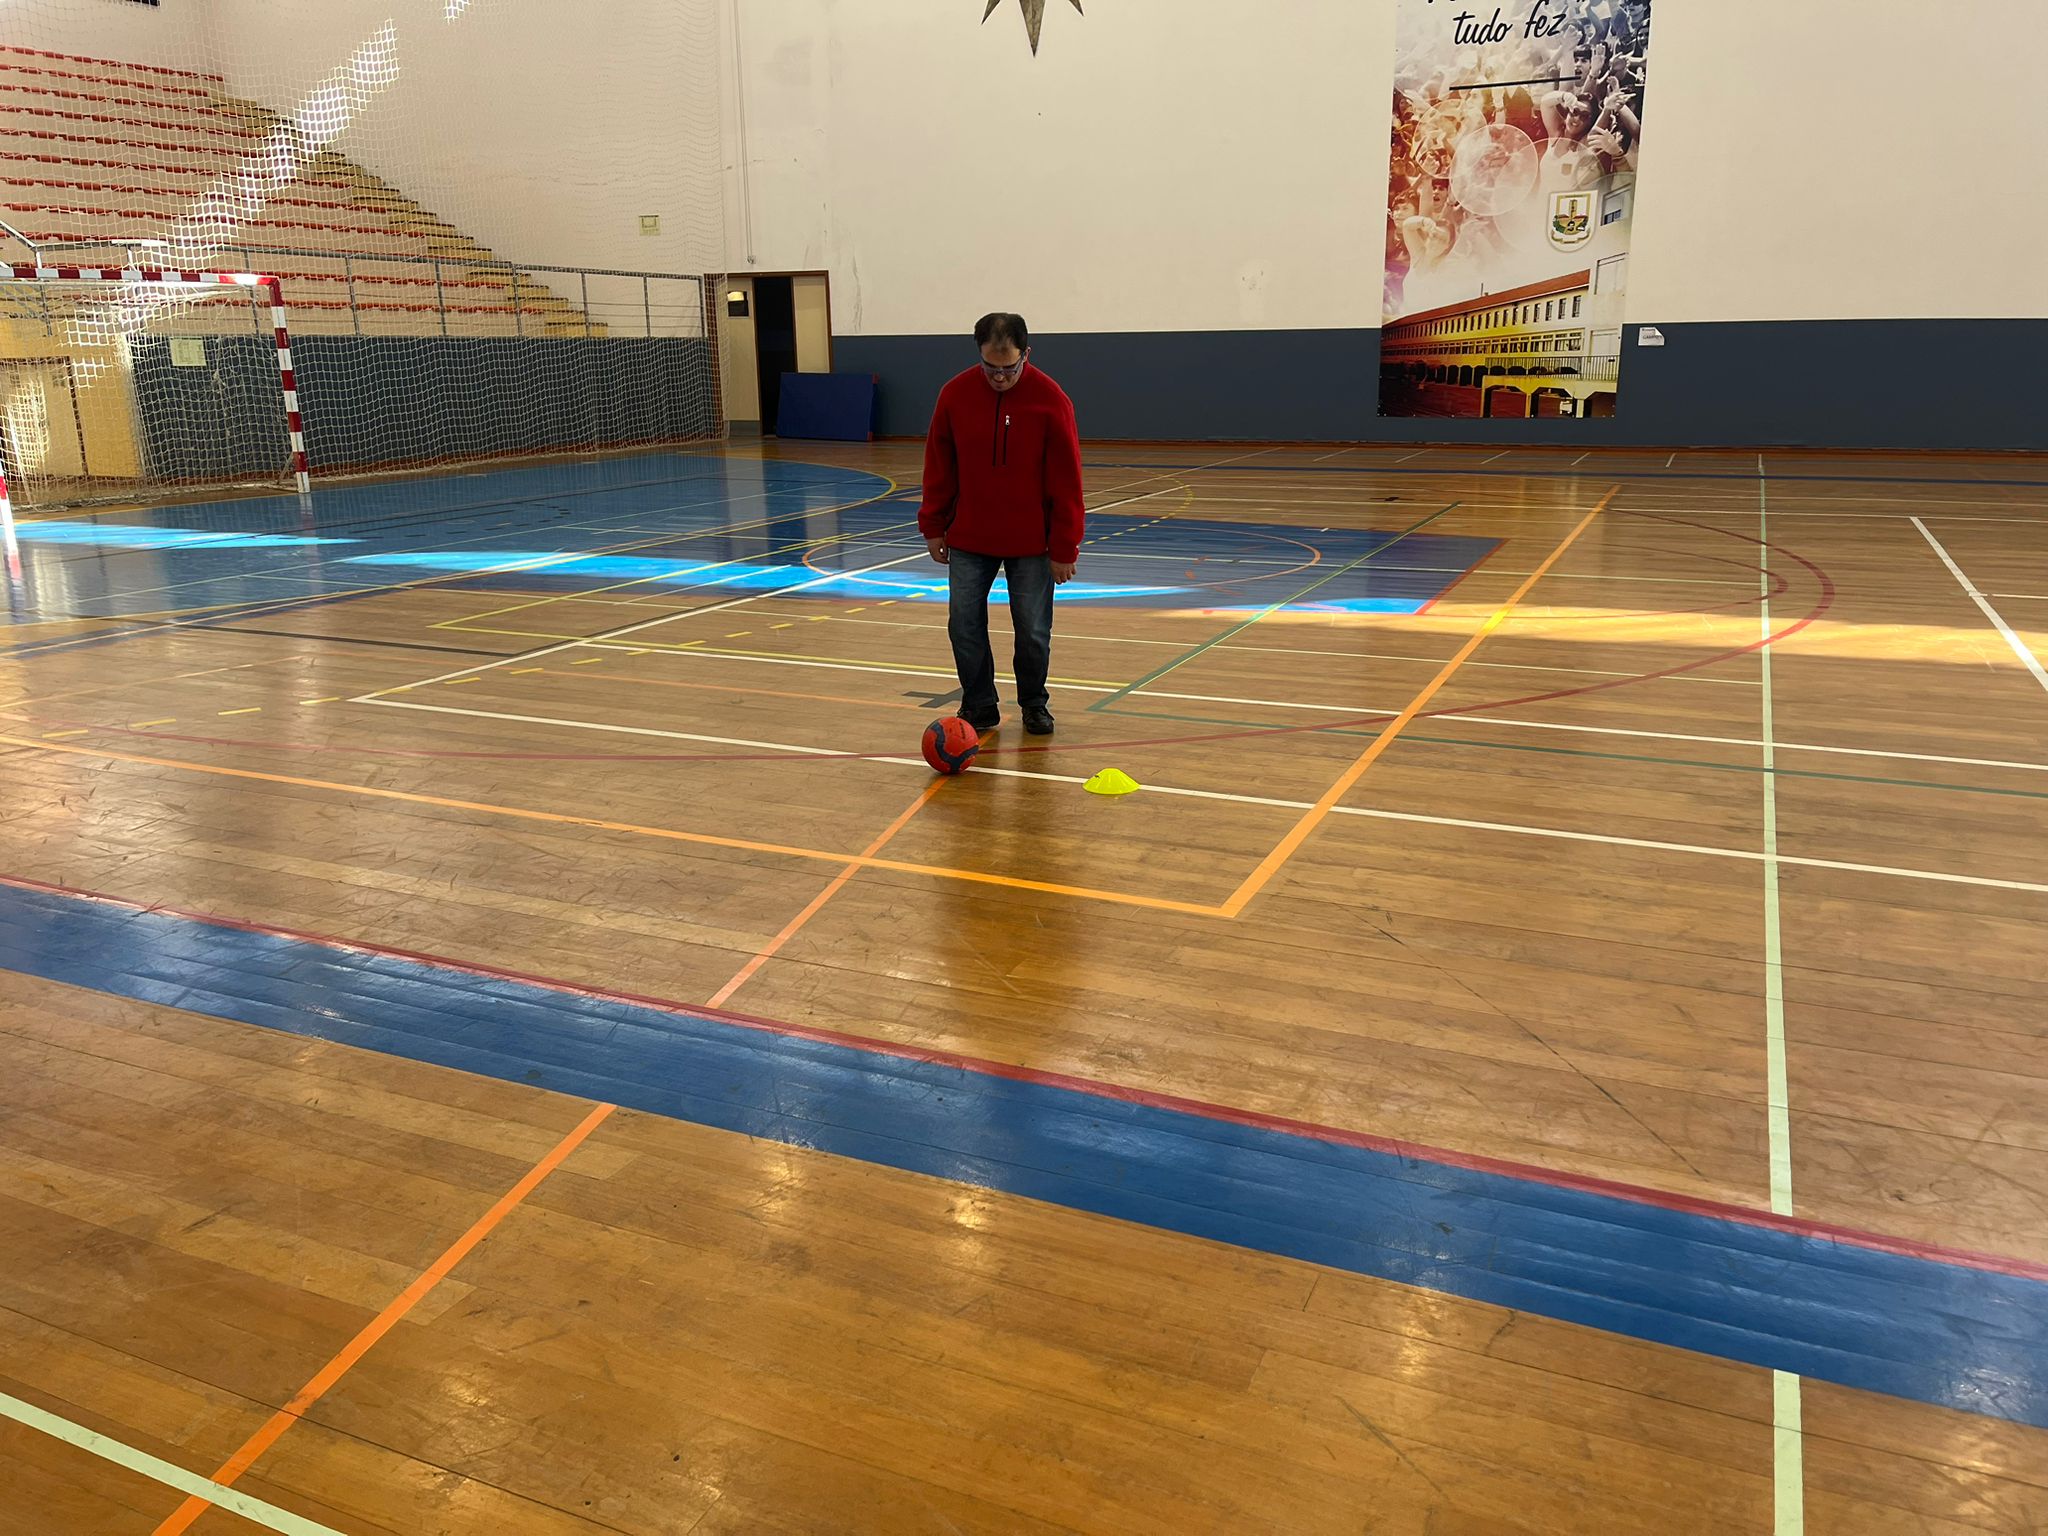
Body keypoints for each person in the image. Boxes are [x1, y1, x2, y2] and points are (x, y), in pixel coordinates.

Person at [918, 312, 1084, 736]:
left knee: (1033, 630)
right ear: (979, 354)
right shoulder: (954, 395)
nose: (999, 377)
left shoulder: (1051, 400)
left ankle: (1034, 704)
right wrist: (934, 525)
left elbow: (1067, 480)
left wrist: (1064, 546)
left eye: (1009, 368)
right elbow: (939, 466)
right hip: (970, 538)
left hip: (1032, 543)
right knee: (963, 624)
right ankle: (979, 704)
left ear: (1026, 354)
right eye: (990, 367)